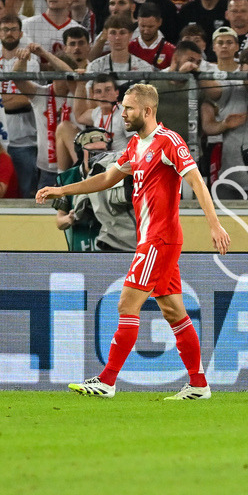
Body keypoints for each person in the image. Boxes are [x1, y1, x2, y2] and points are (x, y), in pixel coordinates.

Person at [37, 84, 230, 400]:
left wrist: (215, 225)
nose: (123, 113)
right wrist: (62, 191)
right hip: (152, 240)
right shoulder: (135, 145)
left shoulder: (169, 142)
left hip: (159, 239)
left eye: (128, 108)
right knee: (173, 311)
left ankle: (106, 381)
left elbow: (196, 180)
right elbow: (106, 178)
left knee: (127, 304)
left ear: (147, 111)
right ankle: (198, 384)